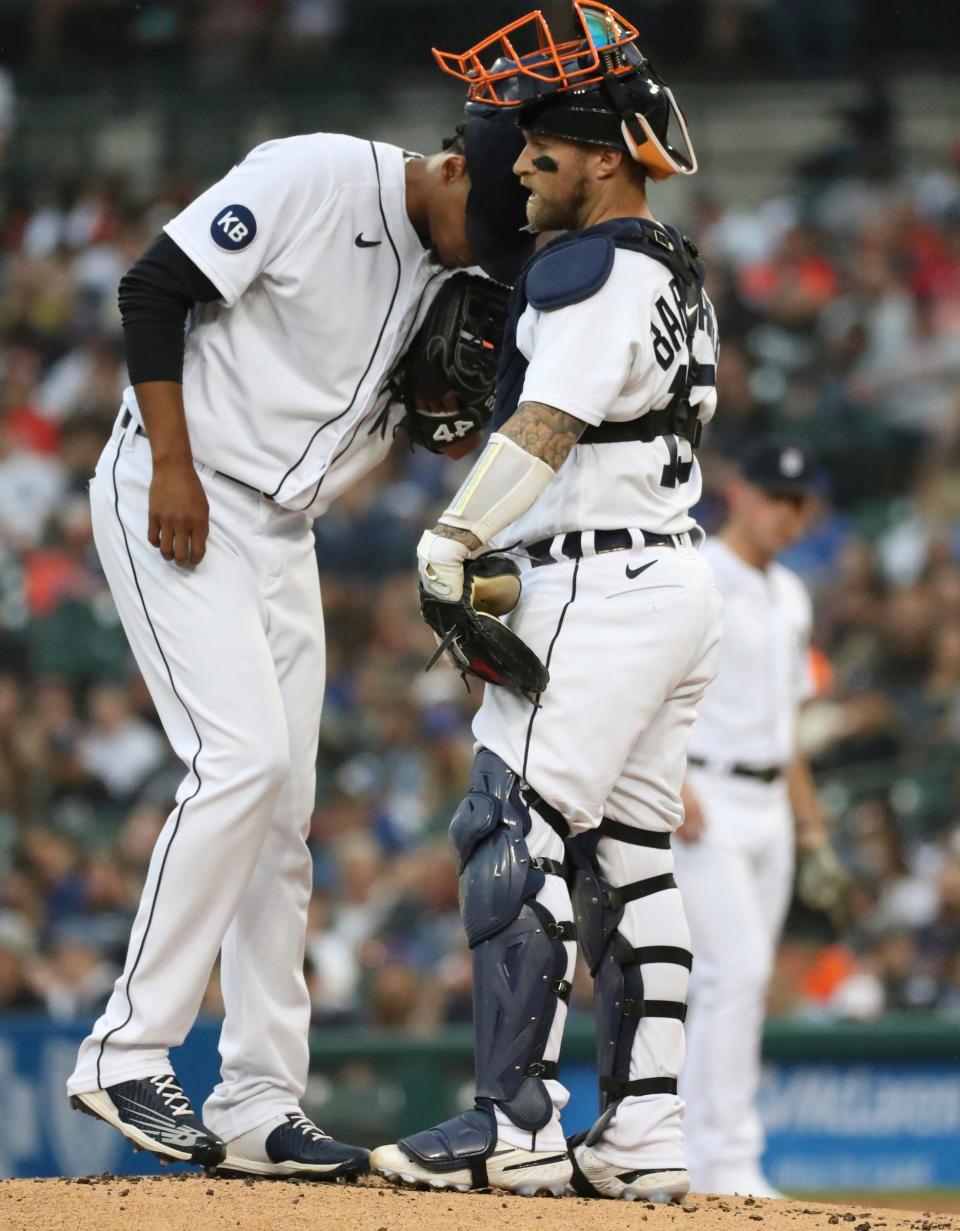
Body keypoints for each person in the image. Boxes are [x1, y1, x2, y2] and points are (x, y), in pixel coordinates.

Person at [64, 101, 532, 1178]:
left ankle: (258, 1099)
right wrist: (172, 466)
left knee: (284, 817)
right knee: (240, 762)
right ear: (454, 170)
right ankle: (125, 1051)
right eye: (484, 226)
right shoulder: (313, 177)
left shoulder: (461, 267)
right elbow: (152, 288)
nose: (486, 254)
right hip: (175, 490)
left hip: (283, 531)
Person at [371, 2, 722, 1202]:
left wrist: (457, 528)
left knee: (507, 828)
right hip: (673, 574)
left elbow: (550, 418)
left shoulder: (589, 263)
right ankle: (644, 1136)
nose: (517, 162)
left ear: (610, 151)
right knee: (629, 854)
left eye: (544, 147)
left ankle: (515, 1123)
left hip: (600, 581)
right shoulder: (674, 267)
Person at [672, 436, 831, 1198]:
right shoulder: (698, 571)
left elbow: (787, 726)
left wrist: (811, 826)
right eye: (776, 496)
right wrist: (667, 776)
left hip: (771, 806)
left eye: (799, 502)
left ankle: (706, 1148)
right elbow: (650, 683)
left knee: (738, 979)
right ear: (740, 492)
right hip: (704, 795)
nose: (788, 514)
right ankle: (722, 1154)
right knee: (734, 970)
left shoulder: (792, 593)